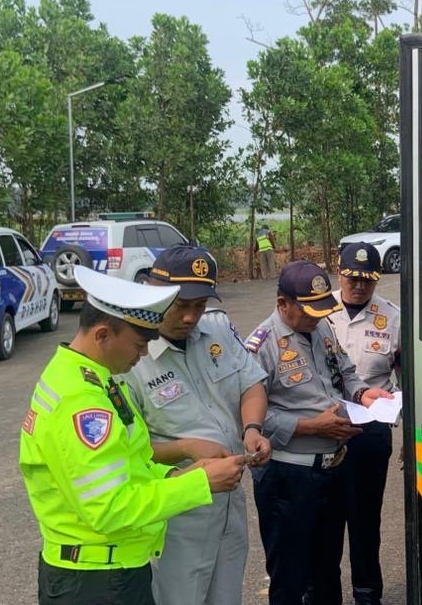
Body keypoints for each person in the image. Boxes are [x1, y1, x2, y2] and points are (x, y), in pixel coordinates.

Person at [19, 265, 249, 605]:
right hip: (95, 581)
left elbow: (131, 460)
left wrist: (180, 472)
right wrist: (199, 484)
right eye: (139, 344)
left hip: (114, 569)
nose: (143, 355)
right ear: (102, 335)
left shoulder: (95, 379)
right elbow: (110, 509)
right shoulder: (81, 403)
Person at [119, 245, 271, 605]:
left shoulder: (217, 328)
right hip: (177, 511)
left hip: (229, 499)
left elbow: (251, 383)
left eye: (199, 306)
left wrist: (252, 428)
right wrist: (185, 448)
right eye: (181, 306)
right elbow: (125, 450)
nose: (191, 317)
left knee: (226, 596)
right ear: (156, 293)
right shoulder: (131, 356)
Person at [243, 260, 394, 605]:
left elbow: (346, 371)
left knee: (327, 569)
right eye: (308, 310)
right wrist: (311, 426)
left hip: (332, 467)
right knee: (290, 575)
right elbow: (251, 418)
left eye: (321, 308)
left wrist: (361, 394)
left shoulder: (321, 328)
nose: (316, 317)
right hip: (289, 474)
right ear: (283, 303)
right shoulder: (261, 345)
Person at [325, 243, 401, 605]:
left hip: (370, 433)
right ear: (339, 273)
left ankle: (368, 595)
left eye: (366, 279)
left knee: (365, 522)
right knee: (325, 521)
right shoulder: (319, 311)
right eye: (352, 277)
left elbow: (407, 379)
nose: (358, 286)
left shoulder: (393, 317)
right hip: (323, 433)